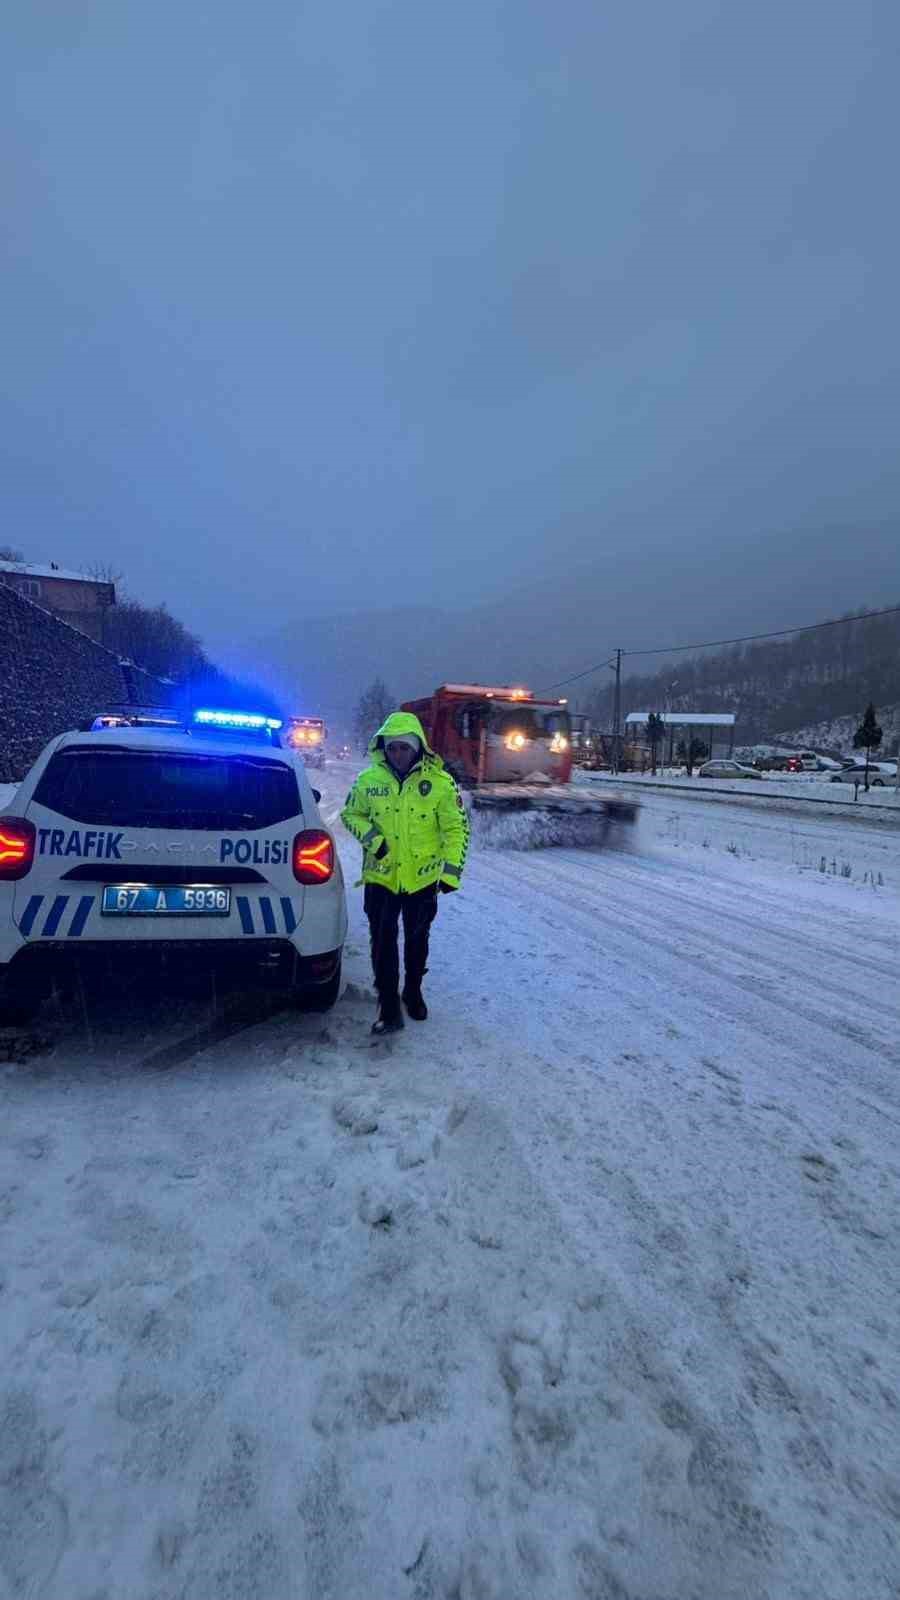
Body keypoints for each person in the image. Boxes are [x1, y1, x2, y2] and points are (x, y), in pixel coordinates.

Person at [341, 710, 469, 1034]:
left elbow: (456, 829)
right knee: (382, 944)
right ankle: (388, 1007)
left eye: (404, 748)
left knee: (416, 941)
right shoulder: (368, 781)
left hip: (422, 881)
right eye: (392, 747)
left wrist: (451, 873)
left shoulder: (440, 784)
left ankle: (412, 991)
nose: (398, 754)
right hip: (381, 879)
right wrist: (375, 840)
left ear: (417, 748)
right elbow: (350, 814)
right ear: (383, 748)